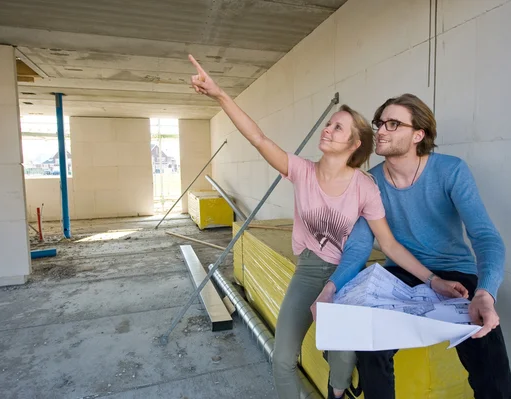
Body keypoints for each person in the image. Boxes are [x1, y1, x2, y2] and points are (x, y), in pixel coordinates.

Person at [187, 56, 468, 399]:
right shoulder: (301, 171)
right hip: (308, 271)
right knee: (283, 358)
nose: (327, 129)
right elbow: (258, 138)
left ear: (354, 145)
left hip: (348, 276)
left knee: (344, 361)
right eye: (329, 124)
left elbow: (389, 245)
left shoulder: (365, 186)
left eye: (338, 127)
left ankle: (338, 390)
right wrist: (220, 95)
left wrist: (434, 280)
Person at [316, 93, 511, 398]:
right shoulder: (369, 182)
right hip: (400, 274)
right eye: (380, 122)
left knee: (491, 365)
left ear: (418, 134)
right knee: (371, 347)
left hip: (456, 274)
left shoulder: (451, 171)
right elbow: (358, 247)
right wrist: (329, 289)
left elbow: (485, 237)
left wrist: (486, 292)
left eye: (393, 124)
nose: (381, 130)